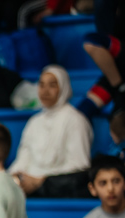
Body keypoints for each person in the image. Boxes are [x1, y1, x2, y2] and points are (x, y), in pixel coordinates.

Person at [9, 66, 93, 198]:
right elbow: (23, 158)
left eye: (52, 85)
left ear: (63, 88)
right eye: (41, 85)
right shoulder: (34, 122)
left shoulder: (75, 120)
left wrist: (40, 180)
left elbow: (79, 165)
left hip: (58, 188)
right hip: (29, 185)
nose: (45, 91)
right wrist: (17, 176)